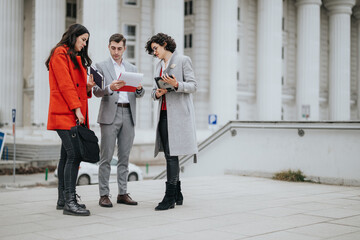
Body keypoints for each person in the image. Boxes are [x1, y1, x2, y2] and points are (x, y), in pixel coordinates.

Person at [46, 23, 95, 216]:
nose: (84, 44)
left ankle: (62, 199)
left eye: (86, 41)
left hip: (71, 112)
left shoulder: (73, 56)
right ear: (73, 36)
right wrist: (77, 109)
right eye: (83, 40)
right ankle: (70, 201)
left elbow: (76, 87)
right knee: (74, 155)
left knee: (66, 156)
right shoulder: (60, 54)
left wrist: (88, 86)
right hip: (65, 112)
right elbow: (66, 85)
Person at [145, 33, 198, 211]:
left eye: (156, 48)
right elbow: (153, 92)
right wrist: (157, 93)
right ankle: (177, 193)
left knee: (171, 154)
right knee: (169, 154)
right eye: (152, 50)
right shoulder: (158, 66)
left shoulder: (183, 60)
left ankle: (170, 197)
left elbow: (193, 86)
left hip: (179, 116)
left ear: (164, 44)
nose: (154, 53)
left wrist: (176, 85)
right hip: (163, 114)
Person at [93, 33, 145, 208]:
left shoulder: (132, 67)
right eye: (113, 48)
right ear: (109, 47)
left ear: (124, 48)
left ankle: (122, 193)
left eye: (119, 48)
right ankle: (104, 195)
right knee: (106, 157)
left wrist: (139, 89)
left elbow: (139, 94)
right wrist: (109, 87)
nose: (116, 52)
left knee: (124, 157)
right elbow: (95, 91)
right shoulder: (100, 66)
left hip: (128, 114)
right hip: (109, 115)